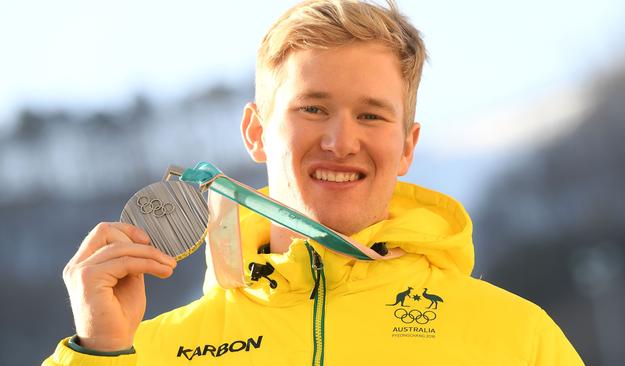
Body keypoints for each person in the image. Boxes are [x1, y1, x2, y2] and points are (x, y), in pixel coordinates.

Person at [44, 0, 585, 365]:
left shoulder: (514, 340)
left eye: (371, 116)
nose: (340, 141)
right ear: (256, 132)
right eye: (312, 108)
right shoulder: (149, 350)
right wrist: (100, 351)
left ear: (408, 147)